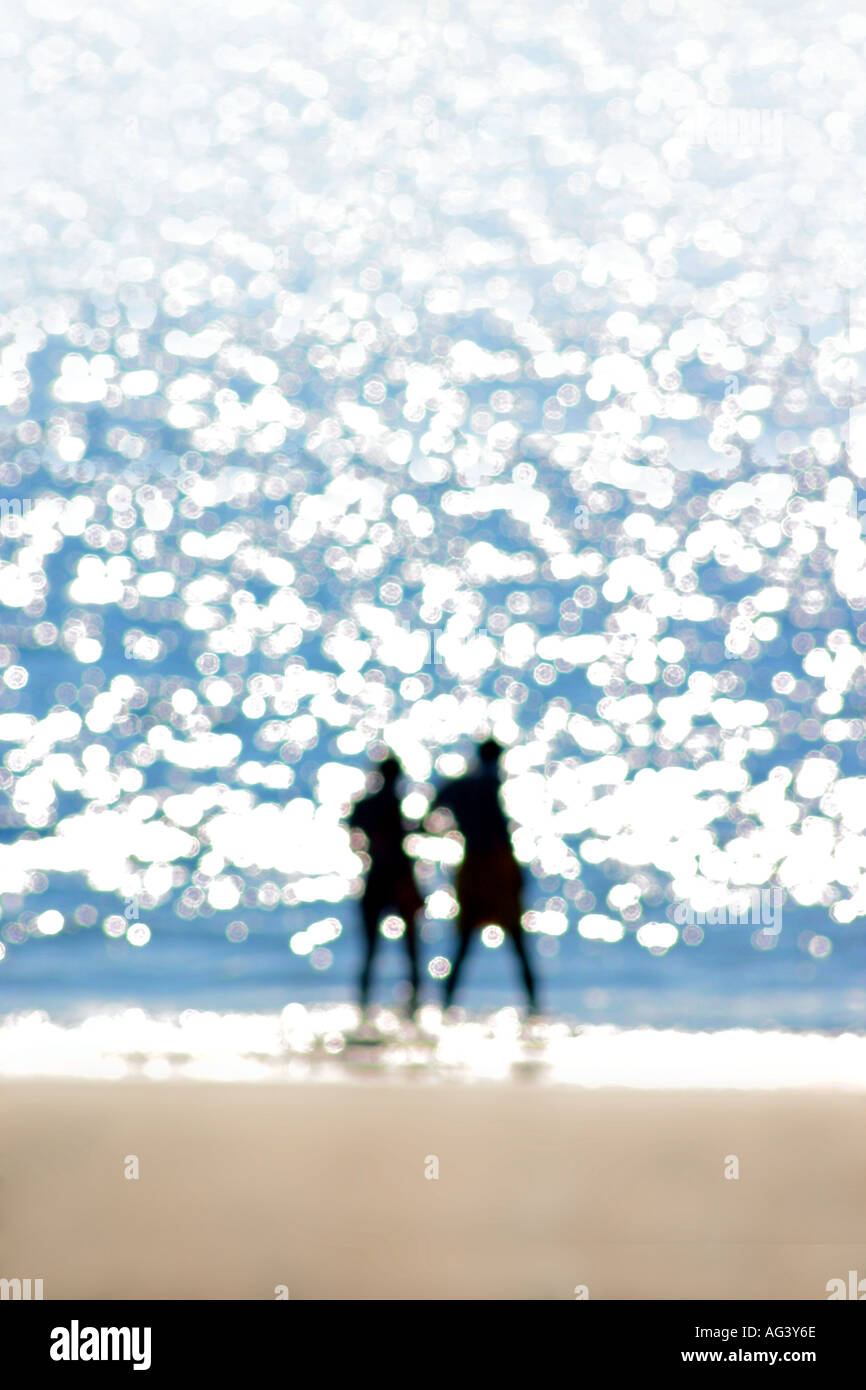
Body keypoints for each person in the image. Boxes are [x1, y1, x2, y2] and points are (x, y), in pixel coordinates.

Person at [432, 738, 539, 1012]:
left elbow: (433, 809)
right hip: (495, 865)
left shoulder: (462, 785)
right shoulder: (489, 784)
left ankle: (446, 1005)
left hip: (474, 866)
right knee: (517, 943)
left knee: (464, 944)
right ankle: (534, 1007)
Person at [349, 756, 423, 1015]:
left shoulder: (369, 804)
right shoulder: (393, 804)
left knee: (372, 950)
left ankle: (365, 1004)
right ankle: (413, 1003)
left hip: (379, 878)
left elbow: (352, 827)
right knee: (410, 949)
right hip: (397, 879)